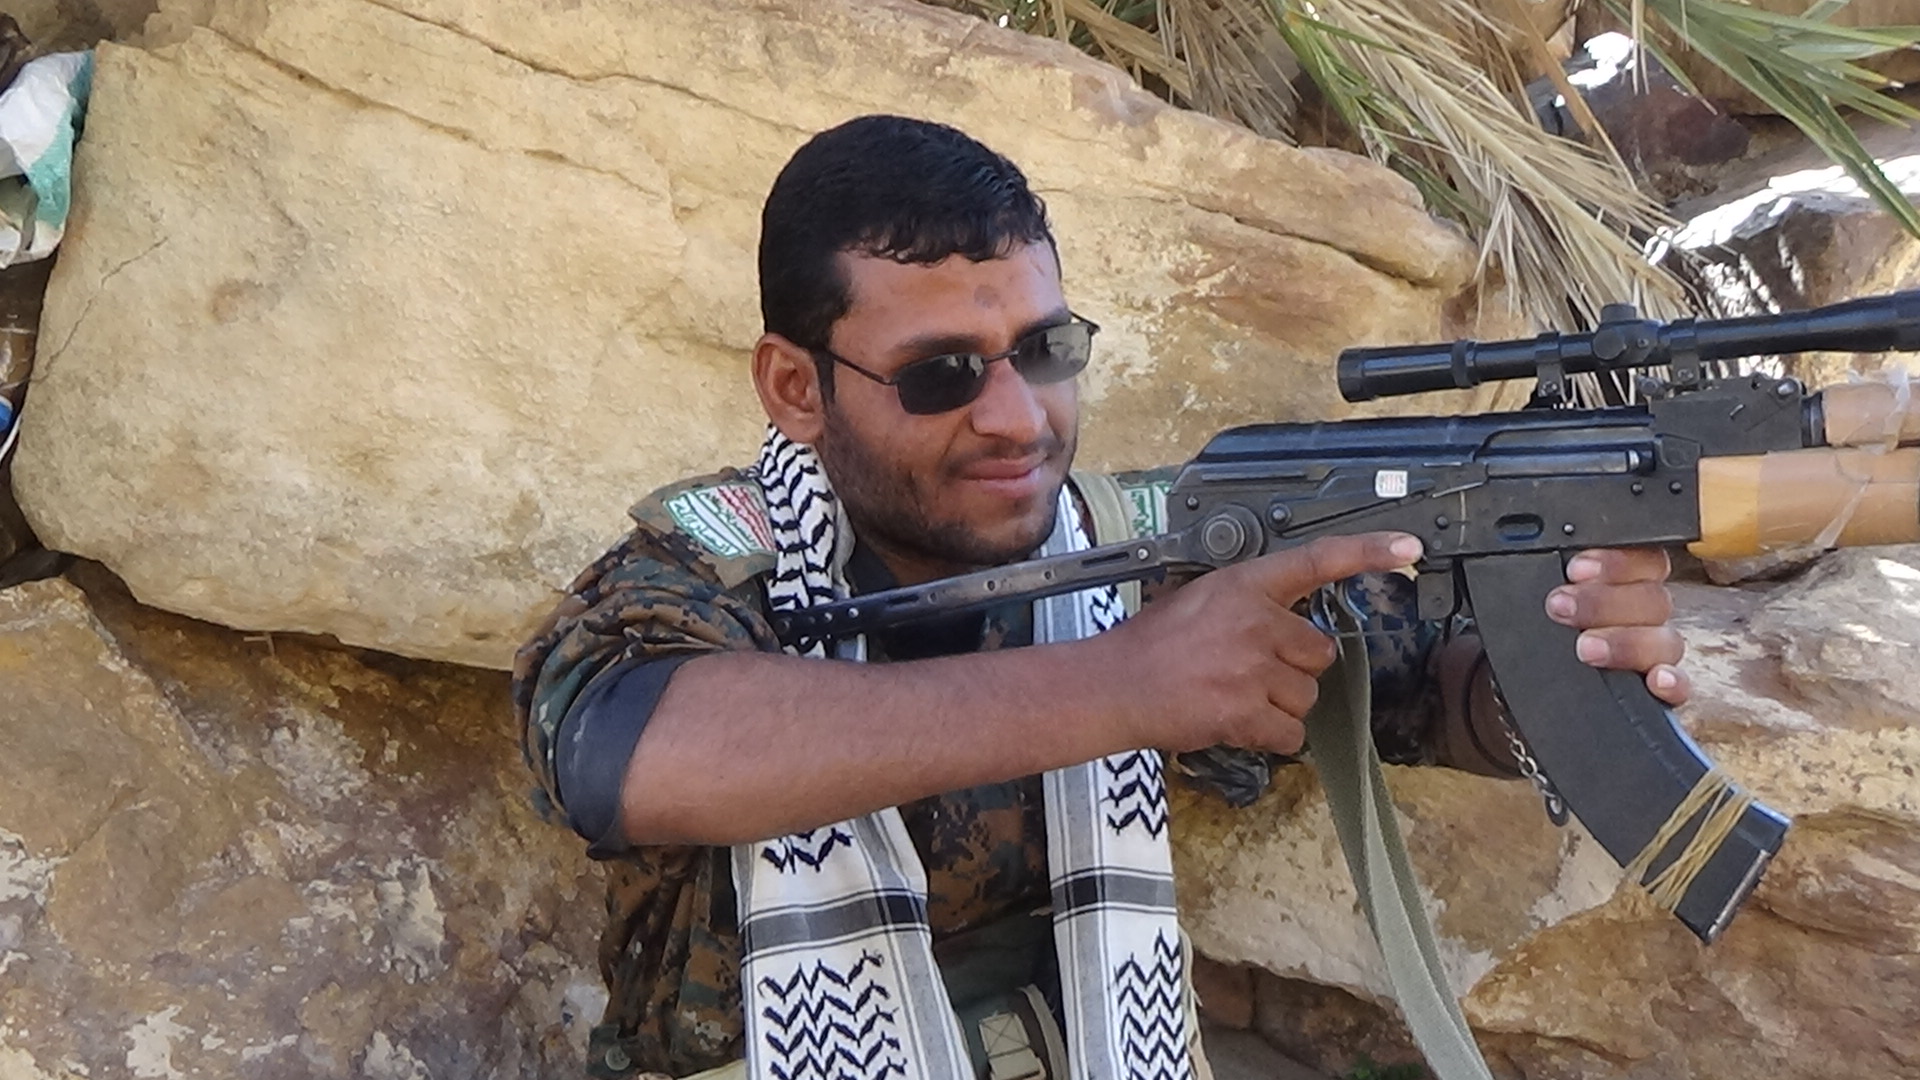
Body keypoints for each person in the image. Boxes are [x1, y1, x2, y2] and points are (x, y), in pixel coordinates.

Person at [512, 115, 1687, 1080]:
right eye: (941, 373)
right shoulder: (714, 569)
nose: (1016, 417)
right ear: (795, 387)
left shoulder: (1143, 553)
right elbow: (627, 751)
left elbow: (1432, 687)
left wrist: (1562, 664)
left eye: (1045, 350)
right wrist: (1125, 685)